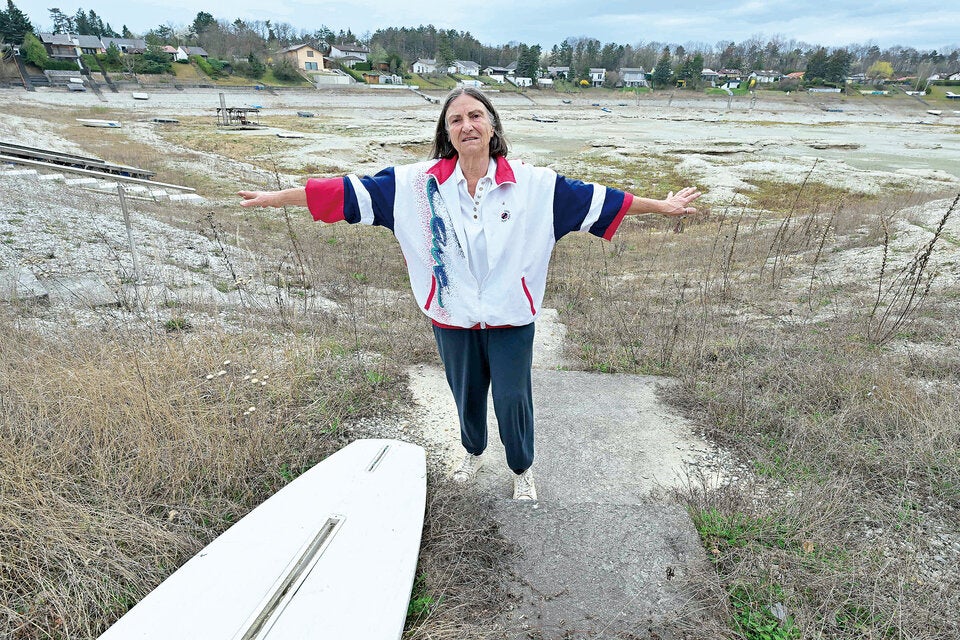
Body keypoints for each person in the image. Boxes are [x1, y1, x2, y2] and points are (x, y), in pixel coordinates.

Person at [239, 87, 701, 501]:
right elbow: (341, 192)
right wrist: (275, 197)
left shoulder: (535, 186)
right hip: (451, 314)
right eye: (456, 119)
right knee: (466, 393)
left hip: (511, 317)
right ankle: (474, 452)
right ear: (446, 132)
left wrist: (661, 206)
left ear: (493, 125)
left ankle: (522, 469)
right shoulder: (414, 186)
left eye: (475, 116)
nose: (467, 125)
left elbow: (602, 199)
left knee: (512, 399)